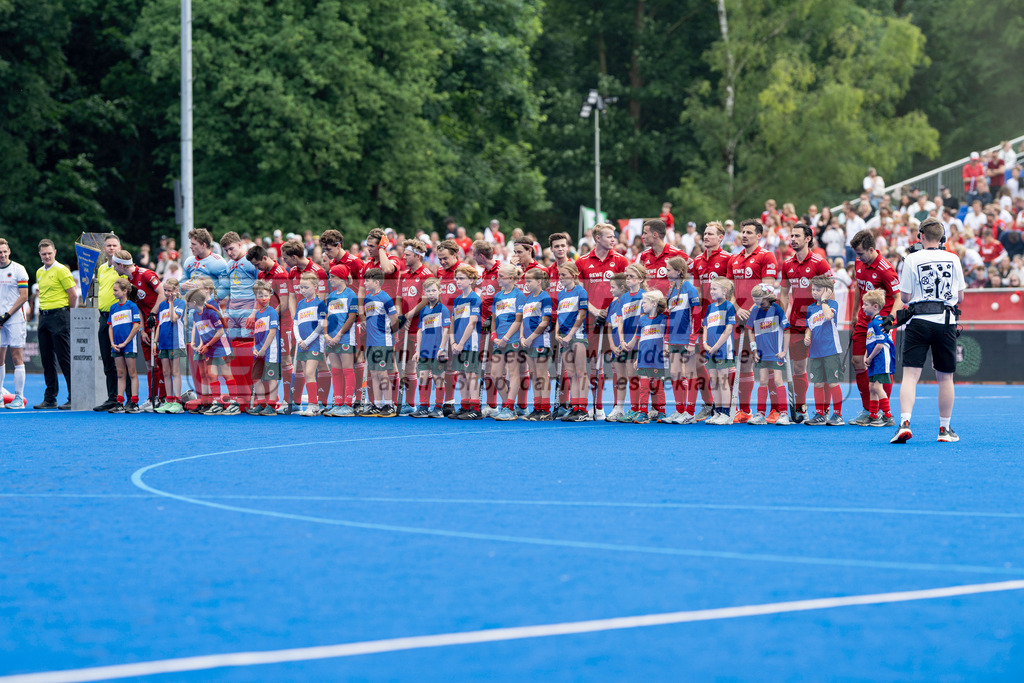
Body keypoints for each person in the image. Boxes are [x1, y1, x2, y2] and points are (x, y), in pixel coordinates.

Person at [889, 218, 966, 444]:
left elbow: (904, 297)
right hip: (945, 321)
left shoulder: (912, 259)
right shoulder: (954, 258)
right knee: (945, 378)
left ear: (921, 237)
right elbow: (960, 297)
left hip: (919, 321)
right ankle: (944, 428)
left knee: (911, 376)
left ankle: (904, 422)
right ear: (942, 239)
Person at [778, 223, 832, 421]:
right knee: (799, 369)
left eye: (797, 236)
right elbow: (784, 294)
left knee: (821, 367)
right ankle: (801, 409)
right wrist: (782, 318)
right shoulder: (787, 264)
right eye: (791, 235)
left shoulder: (820, 263)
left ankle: (823, 410)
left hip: (818, 324)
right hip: (795, 324)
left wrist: (822, 314)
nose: (793, 239)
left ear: (808, 238)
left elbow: (830, 291)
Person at [576, 223, 629, 420]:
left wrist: (612, 309)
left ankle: (618, 407)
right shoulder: (581, 262)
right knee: (593, 364)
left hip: (616, 320)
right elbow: (580, 293)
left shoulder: (621, 260)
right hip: (591, 319)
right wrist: (595, 310)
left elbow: (628, 289)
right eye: (609, 236)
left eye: (614, 236)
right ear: (597, 238)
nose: (613, 239)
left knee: (617, 363)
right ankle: (597, 408)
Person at [849, 229, 901, 426]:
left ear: (872, 249)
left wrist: (890, 321)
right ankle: (868, 410)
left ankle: (882, 411)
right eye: (856, 254)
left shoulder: (885, 269)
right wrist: (854, 314)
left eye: (861, 253)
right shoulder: (859, 261)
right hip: (863, 319)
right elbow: (858, 287)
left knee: (881, 368)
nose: (858, 257)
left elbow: (898, 298)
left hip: (880, 323)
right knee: (857, 362)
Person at [729, 219, 779, 423]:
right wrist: (738, 309)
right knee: (744, 365)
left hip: (763, 319)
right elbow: (729, 289)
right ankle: (745, 410)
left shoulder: (767, 256)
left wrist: (750, 310)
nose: (744, 235)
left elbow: (767, 289)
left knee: (769, 366)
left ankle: (776, 410)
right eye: (743, 232)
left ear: (759, 235)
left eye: (749, 232)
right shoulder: (734, 259)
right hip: (740, 318)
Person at [689, 222, 733, 421]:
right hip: (704, 318)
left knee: (724, 367)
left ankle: (727, 409)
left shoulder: (727, 259)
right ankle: (711, 405)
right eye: (704, 233)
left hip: (721, 318)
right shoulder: (697, 260)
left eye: (710, 234)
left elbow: (731, 289)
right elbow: (697, 291)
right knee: (703, 364)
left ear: (721, 237)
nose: (706, 236)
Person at [112, 249, 165, 410]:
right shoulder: (128, 282)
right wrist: (142, 329)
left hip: (159, 322)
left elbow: (162, 293)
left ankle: (163, 398)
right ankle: (152, 397)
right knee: (150, 364)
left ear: (121, 265)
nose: (113, 268)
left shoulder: (146, 274)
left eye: (114, 265)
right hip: (147, 325)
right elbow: (139, 307)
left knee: (161, 362)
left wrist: (154, 313)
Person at [34, 239, 77, 409]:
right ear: (39, 255)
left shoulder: (61, 270)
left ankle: (74, 396)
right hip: (44, 316)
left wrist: (67, 312)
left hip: (60, 315)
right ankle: (50, 398)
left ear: (55, 252)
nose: (47, 256)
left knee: (64, 358)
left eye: (49, 253)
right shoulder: (39, 272)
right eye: (44, 254)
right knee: (46, 359)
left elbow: (73, 294)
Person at [220, 232, 259, 411]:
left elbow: (261, 287)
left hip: (248, 312)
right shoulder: (229, 265)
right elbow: (230, 290)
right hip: (233, 313)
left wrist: (254, 312)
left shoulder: (251, 262)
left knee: (248, 350)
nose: (229, 252)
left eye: (231, 248)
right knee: (234, 351)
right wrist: (227, 312)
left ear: (240, 244)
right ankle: (242, 395)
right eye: (226, 250)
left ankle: (254, 393)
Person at [744, 285, 791, 425]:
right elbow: (750, 331)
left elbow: (787, 330)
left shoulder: (776, 309)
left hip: (776, 353)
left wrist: (784, 351)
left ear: (768, 298)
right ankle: (760, 414)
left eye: (761, 302)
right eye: (756, 302)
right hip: (761, 353)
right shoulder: (755, 310)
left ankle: (783, 414)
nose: (759, 305)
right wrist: (754, 350)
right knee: (763, 381)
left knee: (778, 381)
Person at [397, 239, 434, 415]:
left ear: (418, 256)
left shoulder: (427, 274)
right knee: (404, 363)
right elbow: (399, 298)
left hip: (419, 326)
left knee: (418, 365)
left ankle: (420, 404)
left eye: (408, 255)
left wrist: (411, 315)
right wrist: (400, 317)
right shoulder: (403, 275)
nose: (404, 257)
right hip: (403, 324)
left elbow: (427, 299)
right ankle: (406, 402)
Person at [803, 275, 844, 426]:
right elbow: (809, 326)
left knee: (833, 383)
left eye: (818, 290)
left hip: (830, 350)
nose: (814, 292)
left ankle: (838, 414)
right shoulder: (810, 308)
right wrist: (807, 337)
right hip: (815, 352)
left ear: (827, 291)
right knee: (818, 383)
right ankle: (820, 414)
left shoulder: (832, 304)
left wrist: (825, 299)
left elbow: (828, 316)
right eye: (813, 289)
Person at [663, 257, 700, 424]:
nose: (666, 272)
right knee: (674, 373)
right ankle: (679, 410)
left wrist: (693, 340)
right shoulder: (671, 291)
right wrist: (666, 339)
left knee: (690, 373)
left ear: (679, 272)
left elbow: (697, 316)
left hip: (687, 338)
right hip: (674, 338)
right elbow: (669, 317)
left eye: (669, 269)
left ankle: (690, 412)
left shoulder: (690, 289)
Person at [185, 287, 232, 414]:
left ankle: (235, 403)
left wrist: (208, 345)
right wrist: (201, 344)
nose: (186, 305)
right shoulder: (195, 314)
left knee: (227, 375)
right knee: (211, 375)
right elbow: (202, 331)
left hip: (221, 346)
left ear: (194, 303)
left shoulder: (211, 313)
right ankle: (216, 403)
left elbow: (221, 330)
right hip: (211, 347)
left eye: (188, 302)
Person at [360, 267, 399, 417]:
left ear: (376, 282)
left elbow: (394, 319)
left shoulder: (385, 298)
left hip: (383, 341)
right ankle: (377, 404)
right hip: (371, 341)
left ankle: (389, 405)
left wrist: (392, 334)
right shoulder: (368, 298)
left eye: (367, 281)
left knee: (383, 374)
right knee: (374, 373)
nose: (364, 283)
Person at [410, 277, 451, 419]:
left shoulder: (443, 310)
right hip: (424, 350)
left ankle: (438, 407)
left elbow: (446, 330)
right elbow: (420, 331)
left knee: (438, 378)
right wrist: (417, 350)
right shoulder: (424, 310)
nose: (431, 293)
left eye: (434, 290)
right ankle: (423, 406)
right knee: (423, 377)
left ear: (440, 291)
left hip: (437, 350)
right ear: (425, 293)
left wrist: (442, 348)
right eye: (428, 291)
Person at [93, 233, 125, 411]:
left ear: (119, 248)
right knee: (107, 360)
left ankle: (128, 399)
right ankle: (112, 397)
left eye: (114, 245)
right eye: (109, 246)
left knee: (123, 360)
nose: (112, 248)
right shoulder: (102, 268)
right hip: (103, 317)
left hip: (120, 319)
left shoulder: (123, 267)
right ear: (104, 249)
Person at [554, 262, 589, 422]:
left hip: (577, 336)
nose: (560, 278)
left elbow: (581, 315)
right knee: (572, 374)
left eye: (564, 275)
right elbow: (559, 316)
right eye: (559, 275)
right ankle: (575, 407)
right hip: (564, 337)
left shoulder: (580, 291)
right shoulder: (561, 294)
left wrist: (570, 335)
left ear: (573, 275)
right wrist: (557, 334)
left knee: (581, 372)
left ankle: (582, 408)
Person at [489, 264, 524, 421]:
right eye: (498, 275)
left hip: (512, 339)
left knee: (513, 372)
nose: (498, 278)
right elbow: (494, 319)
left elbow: (518, 320)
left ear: (511, 278)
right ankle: (508, 405)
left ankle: (509, 407)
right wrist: (494, 336)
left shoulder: (519, 295)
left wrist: (506, 338)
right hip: (499, 339)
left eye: (501, 276)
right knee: (495, 374)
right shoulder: (498, 296)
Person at [322, 265, 358, 417]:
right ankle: (338, 403)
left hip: (345, 338)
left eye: (332, 277)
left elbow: (352, 317)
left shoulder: (351, 294)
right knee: (335, 371)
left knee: (347, 370)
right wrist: (326, 335)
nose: (330, 280)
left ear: (341, 278)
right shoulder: (331, 296)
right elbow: (326, 317)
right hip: (332, 339)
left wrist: (339, 335)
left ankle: (348, 405)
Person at [471, 240, 502, 416]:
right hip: (482, 324)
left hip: (497, 324)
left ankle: (506, 405)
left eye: (474, 254)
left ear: (481, 255)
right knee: (487, 365)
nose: (473, 257)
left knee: (498, 367)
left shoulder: (500, 271)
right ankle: (491, 405)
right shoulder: (484, 272)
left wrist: (494, 318)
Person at [615, 263, 649, 423]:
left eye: (632, 277)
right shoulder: (623, 298)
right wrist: (622, 340)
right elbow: (620, 321)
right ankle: (634, 408)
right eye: (627, 276)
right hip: (627, 342)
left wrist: (634, 339)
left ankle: (644, 409)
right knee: (631, 376)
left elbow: (643, 320)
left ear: (640, 279)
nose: (628, 279)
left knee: (642, 375)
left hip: (641, 341)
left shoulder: (644, 296)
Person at [629, 290, 669, 424]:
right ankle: (643, 412)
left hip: (657, 358)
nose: (642, 305)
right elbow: (640, 340)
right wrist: (637, 358)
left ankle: (662, 412)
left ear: (654, 303)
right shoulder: (642, 320)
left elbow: (667, 337)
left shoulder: (664, 319)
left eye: (645, 302)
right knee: (644, 386)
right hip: (643, 358)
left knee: (657, 385)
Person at [519, 268, 553, 421]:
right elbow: (522, 320)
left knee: (541, 375)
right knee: (534, 375)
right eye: (526, 281)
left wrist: (531, 337)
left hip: (539, 340)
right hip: (527, 342)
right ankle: (537, 407)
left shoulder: (545, 297)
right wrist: (521, 337)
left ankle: (545, 409)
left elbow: (545, 322)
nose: (526, 284)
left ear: (539, 281)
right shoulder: (527, 298)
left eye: (529, 281)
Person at [292, 272, 328, 416]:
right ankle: (312, 404)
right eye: (301, 288)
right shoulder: (300, 304)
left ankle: (314, 405)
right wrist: (299, 340)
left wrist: (306, 341)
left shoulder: (320, 303)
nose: (303, 291)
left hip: (314, 344)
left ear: (315, 287)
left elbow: (321, 325)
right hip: (302, 344)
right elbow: (295, 324)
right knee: (306, 375)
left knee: (309, 373)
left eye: (306, 287)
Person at [450, 264, 483, 420]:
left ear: (471, 280)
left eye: (462, 278)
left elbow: (472, 323)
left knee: (471, 375)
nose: (458, 281)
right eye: (457, 278)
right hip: (457, 343)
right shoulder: (457, 300)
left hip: (470, 342)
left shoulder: (475, 299)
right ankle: (464, 406)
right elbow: (452, 322)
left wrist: (461, 343)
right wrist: (452, 342)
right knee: (461, 374)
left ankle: (475, 408)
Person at [0, 238, 30, 409]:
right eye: (0, 252)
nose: (2, 255)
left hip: (15, 319)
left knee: (16, 357)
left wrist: (6, 315)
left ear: (9, 251)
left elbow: (24, 296)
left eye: (5, 251)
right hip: (0, 320)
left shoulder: (19, 269)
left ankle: (19, 397)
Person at [702, 277, 736, 425]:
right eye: (711, 289)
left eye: (714, 289)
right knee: (714, 380)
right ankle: (717, 411)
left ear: (725, 291)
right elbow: (705, 326)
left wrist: (716, 346)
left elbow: (728, 330)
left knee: (722, 380)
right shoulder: (710, 307)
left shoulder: (729, 306)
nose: (711, 291)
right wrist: (704, 343)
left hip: (723, 348)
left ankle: (726, 413)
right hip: (710, 349)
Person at [106, 279, 142, 413]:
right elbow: (110, 327)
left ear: (125, 291)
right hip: (116, 345)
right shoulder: (113, 307)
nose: (114, 292)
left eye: (116, 290)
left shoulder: (132, 306)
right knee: (120, 374)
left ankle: (134, 403)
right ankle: (119, 402)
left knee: (132, 373)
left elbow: (136, 325)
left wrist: (126, 342)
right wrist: (112, 343)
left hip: (128, 345)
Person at [435, 239, 463, 414]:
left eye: (445, 258)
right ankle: (439, 403)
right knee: (439, 361)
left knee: (453, 363)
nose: (443, 262)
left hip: (458, 323)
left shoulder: (464, 271)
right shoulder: (439, 271)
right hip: (440, 322)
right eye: (440, 259)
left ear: (455, 255)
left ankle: (450, 402)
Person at [861, 289, 895, 427]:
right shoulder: (871, 322)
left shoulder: (878, 322)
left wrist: (870, 358)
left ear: (875, 306)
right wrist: (866, 355)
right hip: (874, 359)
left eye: (865, 304)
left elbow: (880, 344)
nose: (862, 307)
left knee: (877, 386)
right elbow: (870, 342)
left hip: (880, 359)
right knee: (871, 387)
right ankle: (873, 415)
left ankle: (887, 416)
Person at [153, 278, 187, 414]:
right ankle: (169, 400)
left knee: (175, 372)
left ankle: (178, 402)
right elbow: (160, 325)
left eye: (169, 290)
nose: (167, 293)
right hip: (163, 343)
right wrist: (155, 342)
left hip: (175, 343)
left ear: (176, 290)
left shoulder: (181, 303)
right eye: (165, 290)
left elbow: (173, 318)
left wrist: (171, 303)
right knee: (166, 372)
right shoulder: (161, 305)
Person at [249, 281, 281, 416]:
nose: (263, 298)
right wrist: (255, 348)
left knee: (270, 377)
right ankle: (261, 404)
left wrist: (264, 349)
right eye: (260, 295)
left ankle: (272, 406)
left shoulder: (272, 312)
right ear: (255, 297)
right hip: (259, 350)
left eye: (266, 295)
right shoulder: (257, 314)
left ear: (270, 296)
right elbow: (256, 333)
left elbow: (272, 332)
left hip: (270, 351)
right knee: (256, 378)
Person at [603, 273, 630, 421]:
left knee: (635, 377)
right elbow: (608, 326)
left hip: (629, 346)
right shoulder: (613, 304)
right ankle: (619, 408)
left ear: (622, 287)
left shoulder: (630, 302)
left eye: (613, 287)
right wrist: (612, 345)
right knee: (620, 378)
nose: (610, 290)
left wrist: (626, 343)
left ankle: (640, 408)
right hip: (616, 347)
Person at [638, 218, 684, 296]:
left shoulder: (677, 253)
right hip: (649, 304)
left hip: (670, 304)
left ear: (655, 234)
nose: (643, 236)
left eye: (645, 233)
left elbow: (695, 273)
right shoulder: (644, 255)